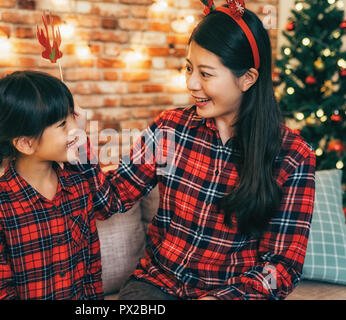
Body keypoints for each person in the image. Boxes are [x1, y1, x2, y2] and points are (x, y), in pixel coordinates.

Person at [75, 2, 316, 300]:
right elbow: (108, 200)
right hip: (157, 284)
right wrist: (78, 146)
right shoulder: (170, 128)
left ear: (247, 79)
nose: (190, 83)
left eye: (206, 74)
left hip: (232, 293)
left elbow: (282, 267)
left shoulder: (293, 155)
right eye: (189, 68)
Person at [0, 71, 104, 300]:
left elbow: (92, 274)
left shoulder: (79, 187)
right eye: (62, 123)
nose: (75, 129)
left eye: (73, 117)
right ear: (25, 143)